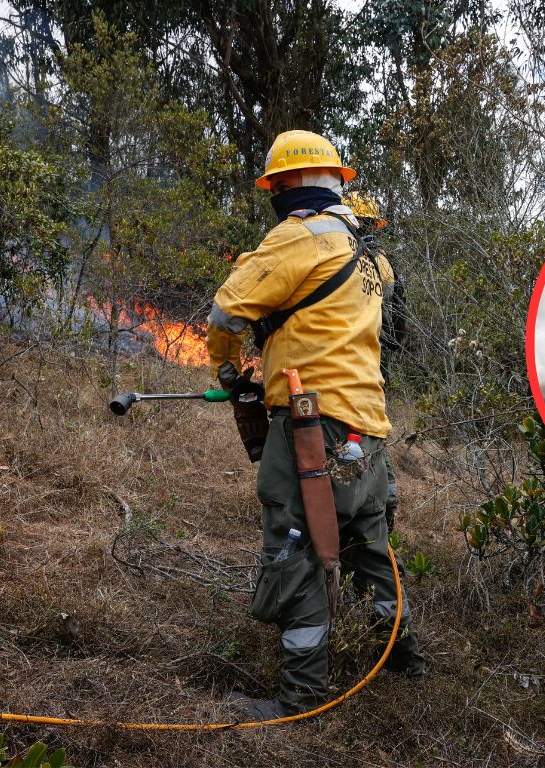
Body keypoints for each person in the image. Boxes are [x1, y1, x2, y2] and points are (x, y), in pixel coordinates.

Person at [206, 130, 425, 720]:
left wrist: (229, 372)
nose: (274, 193)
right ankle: (403, 658)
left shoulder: (297, 237)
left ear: (285, 186)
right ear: (335, 181)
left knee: (295, 542)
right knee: (368, 543)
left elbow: (226, 311)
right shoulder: (371, 250)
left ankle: (300, 698)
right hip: (369, 424)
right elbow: (392, 336)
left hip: (310, 423)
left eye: (275, 185)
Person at [343, 191, 406, 531]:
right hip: (377, 361)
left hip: (350, 357)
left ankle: (370, 501)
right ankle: (384, 500)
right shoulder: (384, 264)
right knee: (372, 428)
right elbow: (399, 322)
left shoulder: (343, 256)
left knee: (347, 428)